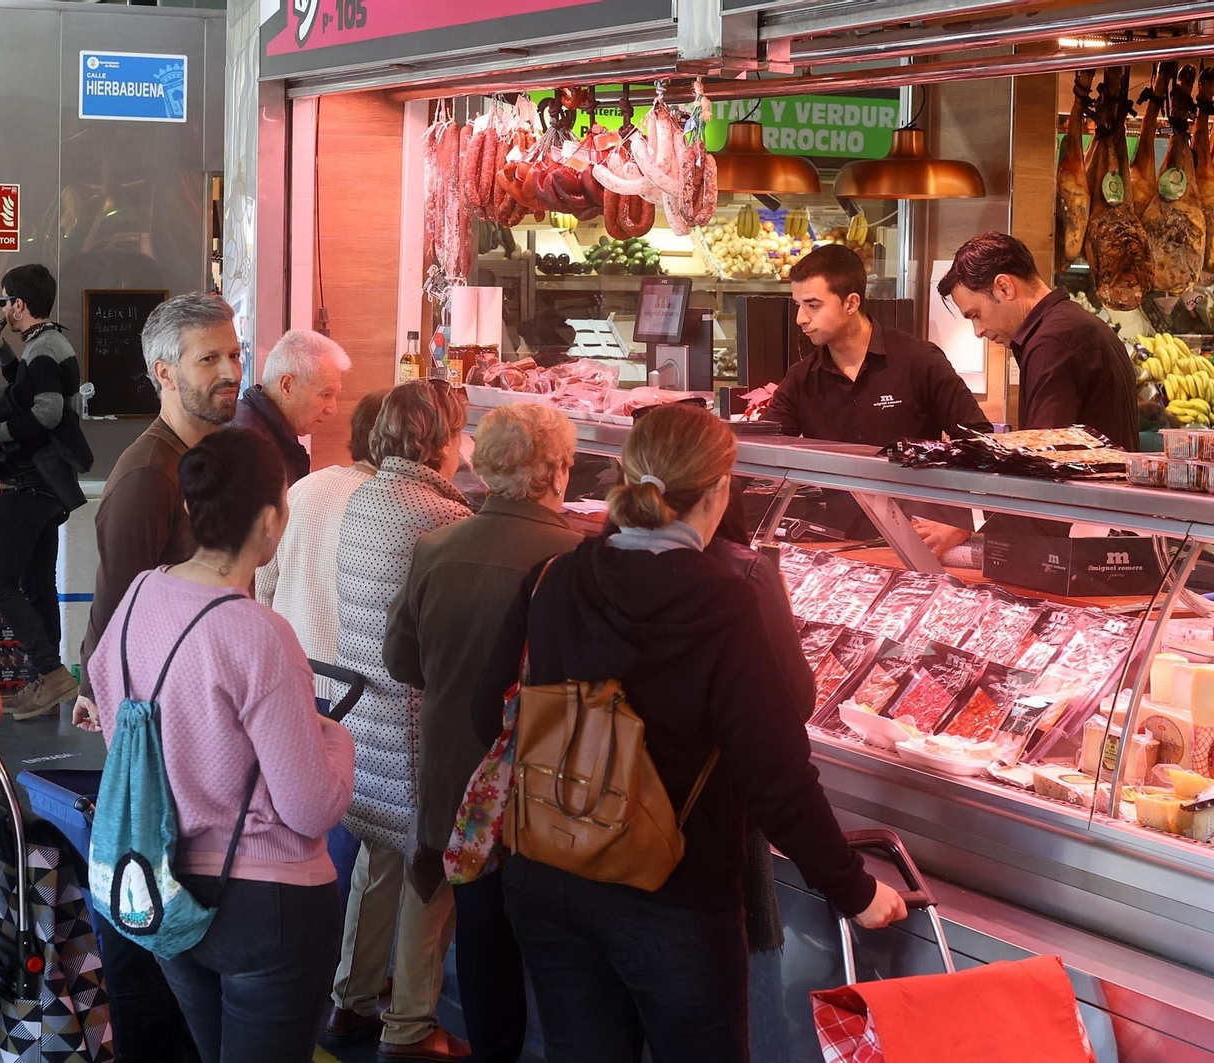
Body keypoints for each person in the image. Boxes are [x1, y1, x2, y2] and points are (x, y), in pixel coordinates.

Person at [470, 405, 906, 1063]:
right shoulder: (725, 603)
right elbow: (777, 778)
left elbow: (487, 713)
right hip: (669, 894)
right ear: (719, 490)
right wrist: (854, 888)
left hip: (548, 876)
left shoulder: (555, 578)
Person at [89, 429, 355, 1063]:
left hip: (162, 890)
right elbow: (310, 807)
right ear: (271, 519)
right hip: (270, 908)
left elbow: (112, 711)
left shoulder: (138, 597)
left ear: (190, 508)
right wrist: (336, 739)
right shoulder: (260, 634)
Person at [382, 402, 583, 1063]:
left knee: (481, 946)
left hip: (455, 791)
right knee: (559, 962)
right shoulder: (578, 559)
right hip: (550, 800)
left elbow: (401, 661)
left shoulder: (437, 547)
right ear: (556, 470)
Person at [73, 292, 241, 1063]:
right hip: (156, 746)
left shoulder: (202, 460)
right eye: (210, 358)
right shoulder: (149, 475)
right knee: (151, 945)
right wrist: (112, 714)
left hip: (195, 739)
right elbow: (117, 618)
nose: (230, 371)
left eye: (234, 354)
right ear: (163, 372)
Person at [328, 379, 472, 1062]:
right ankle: (410, 1026)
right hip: (416, 725)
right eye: (462, 429)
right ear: (438, 439)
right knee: (428, 867)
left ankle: (350, 1000)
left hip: (369, 718)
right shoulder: (438, 517)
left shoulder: (368, 495)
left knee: (378, 860)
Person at [765, 243, 991, 555]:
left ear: (851, 302)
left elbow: (981, 443)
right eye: (798, 305)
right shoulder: (801, 378)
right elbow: (762, 452)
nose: (800, 319)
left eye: (813, 305)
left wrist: (962, 523)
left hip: (918, 544)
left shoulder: (919, 360)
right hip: (836, 545)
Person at [0, 263, 88, 720]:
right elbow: (29, 388)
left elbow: (42, 412)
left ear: (18, 304)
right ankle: (47, 682)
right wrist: (4, 354)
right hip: (48, 486)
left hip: (29, 484)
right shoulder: (48, 344)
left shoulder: (45, 350)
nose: (3, 309)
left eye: (4, 302)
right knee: (36, 582)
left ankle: (52, 673)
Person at [938, 231, 1139, 451]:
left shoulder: (1051, 342)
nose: (978, 331)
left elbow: (1043, 457)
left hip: (1087, 486)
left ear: (1004, 287)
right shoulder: (1076, 323)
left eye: (975, 314)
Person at [256, 389, 387, 680]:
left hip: (291, 672)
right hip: (353, 689)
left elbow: (261, 585)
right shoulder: (392, 508)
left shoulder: (304, 488)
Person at [230, 328, 349, 484]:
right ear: (287, 386)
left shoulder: (274, 434)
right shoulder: (246, 449)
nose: (333, 409)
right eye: (326, 394)